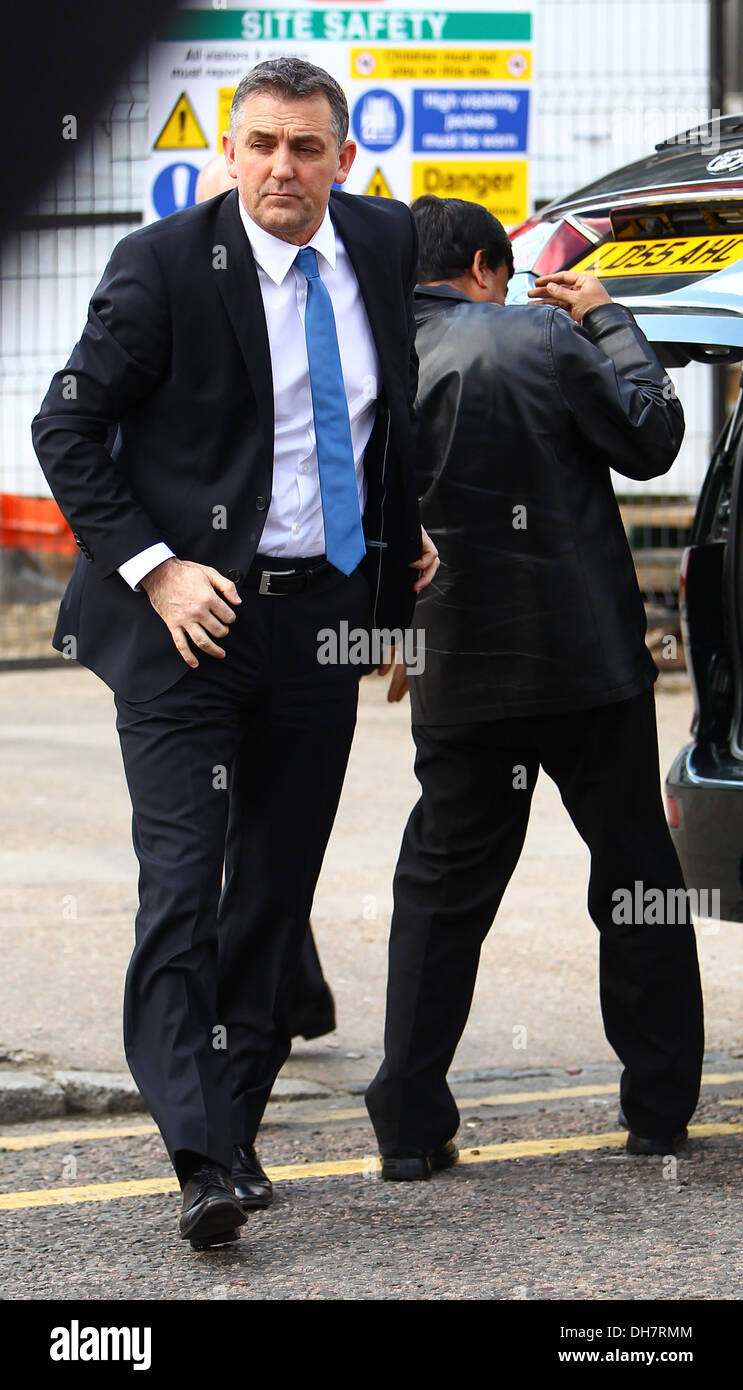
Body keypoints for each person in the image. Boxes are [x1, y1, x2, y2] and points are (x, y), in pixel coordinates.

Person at [32, 57, 438, 1248]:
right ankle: (201, 1156)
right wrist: (153, 565)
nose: (281, 168)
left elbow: (381, 413)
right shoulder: (162, 267)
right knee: (184, 886)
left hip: (318, 619)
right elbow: (66, 424)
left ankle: (239, 1118)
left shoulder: (380, 241)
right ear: (229, 151)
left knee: (272, 889)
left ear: (343, 159)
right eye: (260, 144)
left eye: (306, 148)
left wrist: (400, 540)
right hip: (183, 626)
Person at [366, 195, 704, 1180]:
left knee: (442, 885)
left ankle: (409, 1128)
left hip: (455, 664)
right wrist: (604, 316)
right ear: (481, 264)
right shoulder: (536, 334)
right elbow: (649, 439)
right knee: (634, 872)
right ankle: (656, 1112)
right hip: (585, 662)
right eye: (504, 276)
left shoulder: (371, 353)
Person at [194, 148, 337, 1046]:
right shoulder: (171, 296)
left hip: (298, 603)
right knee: (211, 831)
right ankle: (273, 999)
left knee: (271, 823)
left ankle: (289, 991)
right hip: (194, 606)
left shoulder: (312, 298)